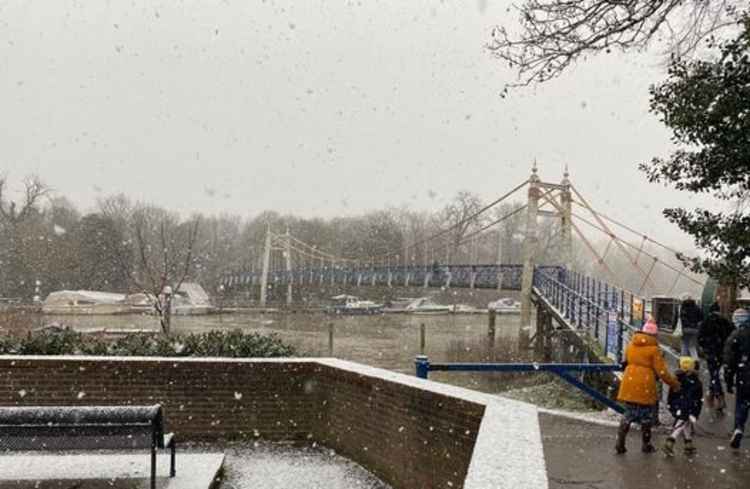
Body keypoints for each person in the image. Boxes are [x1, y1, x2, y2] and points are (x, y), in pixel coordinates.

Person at [615, 318, 680, 454]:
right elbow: (662, 372)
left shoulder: (631, 344)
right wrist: (674, 384)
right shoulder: (654, 349)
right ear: (654, 335)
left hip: (629, 382)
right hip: (645, 384)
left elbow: (625, 361)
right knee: (646, 418)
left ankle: (620, 442)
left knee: (628, 414)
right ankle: (646, 445)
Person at [698, 302, 735, 413]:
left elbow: (700, 337)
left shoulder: (706, 322)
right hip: (722, 352)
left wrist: (705, 347)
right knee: (715, 374)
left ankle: (719, 396)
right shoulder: (725, 321)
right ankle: (712, 394)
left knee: (714, 374)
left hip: (711, 352)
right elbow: (731, 336)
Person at [663, 357, 703, 456]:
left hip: (678, 405)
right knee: (681, 423)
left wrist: (671, 405)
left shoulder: (677, 379)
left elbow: (671, 395)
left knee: (685, 422)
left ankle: (688, 443)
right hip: (689, 406)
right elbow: (698, 398)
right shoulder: (696, 382)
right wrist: (695, 412)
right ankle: (670, 442)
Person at [724, 307, 750, 449]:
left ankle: (738, 428)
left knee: (742, 404)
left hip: (744, 375)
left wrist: (729, 381)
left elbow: (729, 360)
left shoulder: (736, 335)